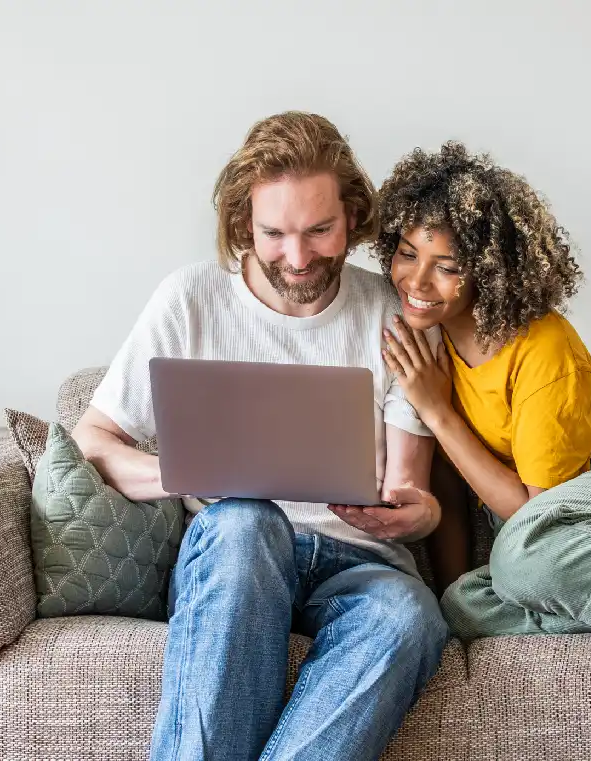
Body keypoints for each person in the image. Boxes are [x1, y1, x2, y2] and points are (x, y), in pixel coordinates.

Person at [72, 112, 449, 761]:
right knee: (246, 519)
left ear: (352, 216)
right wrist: (181, 472)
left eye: (319, 231)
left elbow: (408, 490)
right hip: (238, 555)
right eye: (274, 233)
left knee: (409, 616)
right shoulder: (189, 299)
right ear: (244, 221)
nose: (297, 258)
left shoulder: (392, 314)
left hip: (359, 564)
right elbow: (92, 440)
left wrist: (413, 514)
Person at [369, 141, 591, 637]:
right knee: (460, 605)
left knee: (521, 556)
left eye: (448, 266)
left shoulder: (543, 347)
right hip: (539, 542)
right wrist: (454, 586)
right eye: (408, 253)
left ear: (490, 270)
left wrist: (438, 413)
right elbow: (449, 479)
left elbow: (531, 510)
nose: (417, 280)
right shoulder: (428, 341)